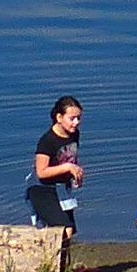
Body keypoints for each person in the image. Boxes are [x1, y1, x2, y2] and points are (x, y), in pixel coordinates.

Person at [25, 95, 86, 232]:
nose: (76, 122)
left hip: (61, 189)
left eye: (78, 118)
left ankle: (61, 253)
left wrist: (76, 174)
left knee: (69, 231)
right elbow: (41, 172)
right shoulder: (47, 141)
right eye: (72, 119)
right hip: (42, 189)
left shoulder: (74, 135)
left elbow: (69, 158)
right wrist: (68, 167)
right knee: (63, 229)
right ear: (59, 118)